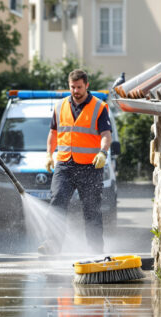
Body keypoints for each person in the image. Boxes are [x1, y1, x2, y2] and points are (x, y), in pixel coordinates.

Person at [41, 69, 112, 254]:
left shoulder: (99, 107)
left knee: (91, 211)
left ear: (87, 85)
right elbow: (53, 133)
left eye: (79, 87)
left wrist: (103, 152)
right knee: (57, 202)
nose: (75, 91)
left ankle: (95, 252)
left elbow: (106, 135)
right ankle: (51, 246)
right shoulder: (59, 106)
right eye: (72, 87)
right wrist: (49, 154)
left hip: (90, 166)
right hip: (65, 164)